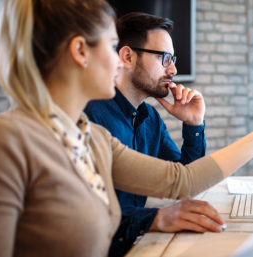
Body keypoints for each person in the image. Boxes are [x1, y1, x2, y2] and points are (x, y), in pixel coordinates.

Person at [0, 0, 253, 257]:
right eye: (112, 47)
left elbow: (182, 180)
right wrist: (153, 219)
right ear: (81, 52)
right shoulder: (6, 141)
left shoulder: (90, 137)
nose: (117, 61)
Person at [84, 12, 213, 255]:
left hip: (138, 246)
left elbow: (187, 182)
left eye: (172, 59)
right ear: (127, 56)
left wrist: (194, 125)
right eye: (165, 58)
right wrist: (154, 218)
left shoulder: (150, 118)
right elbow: (87, 214)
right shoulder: (90, 116)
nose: (174, 69)